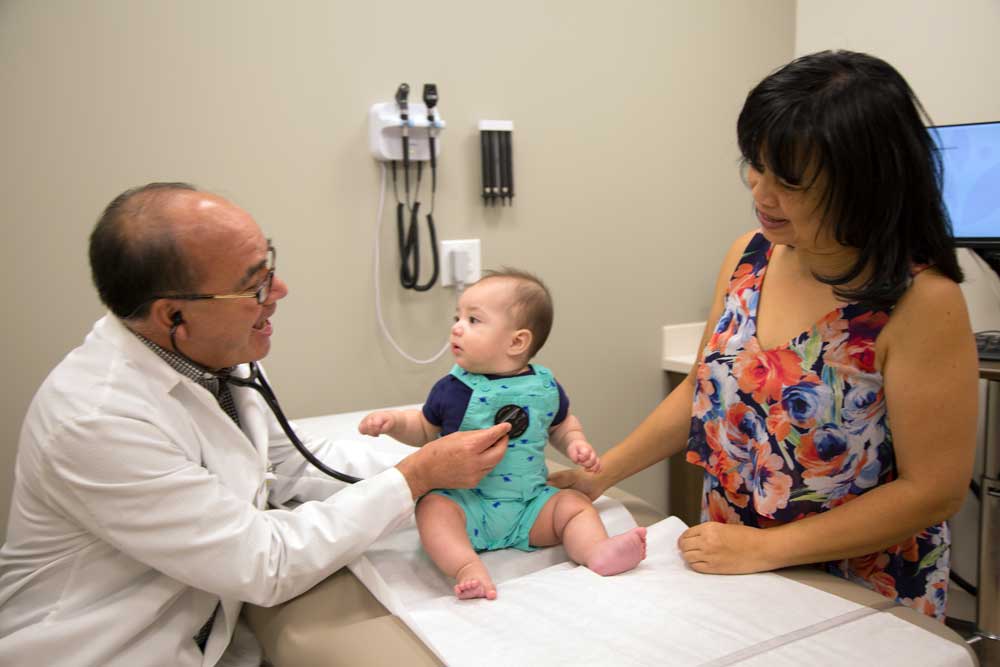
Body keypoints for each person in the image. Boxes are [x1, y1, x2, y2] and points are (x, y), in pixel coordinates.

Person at [0, 183, 512, 666]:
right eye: (253, 285)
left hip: (212, 630)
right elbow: (265, 564)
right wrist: (419, 476)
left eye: (269, 265)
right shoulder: (97, 420)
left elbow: (288, 462)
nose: (280, 290)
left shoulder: (214, 356)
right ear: (172, 316)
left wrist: (441, 471)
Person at [551, 50, 978, 620]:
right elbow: (699, 392)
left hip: (857, 588)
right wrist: (594, 478)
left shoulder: (922, 301)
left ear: (865, 183)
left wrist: (767, 548)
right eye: (755, 164)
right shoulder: (751, 255)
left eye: (791, 182)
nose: (761, 192)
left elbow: (934, 490)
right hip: (730, 565)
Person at [359, 269, 647, 600]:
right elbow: (425, 428)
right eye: (458, 317)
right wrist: (394, 422)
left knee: (575, 504)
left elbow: (561, 423)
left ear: (517, 341)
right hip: (468, 504)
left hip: (530, 506)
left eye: (473, 320)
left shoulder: (543, 386)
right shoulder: (453, 388)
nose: (456, 327)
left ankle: (596, 551)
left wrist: (576, 443)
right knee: (432, 508)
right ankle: (467, 567)